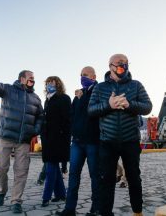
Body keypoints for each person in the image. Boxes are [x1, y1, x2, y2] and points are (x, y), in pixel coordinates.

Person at [88, 54, 152, 216]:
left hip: (130, 140)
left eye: (125, 63)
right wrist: (108, 105)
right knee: (107, 180)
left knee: (134, 178)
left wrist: (129, 104)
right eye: (118, 63)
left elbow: (147, 107)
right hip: (107, 141)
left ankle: (137, 212)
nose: (122, 66)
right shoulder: (100, 87)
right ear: (110, 66)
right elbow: (91, 110)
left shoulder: (136, 85)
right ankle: (106, 213)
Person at [0, 70, 44, 214]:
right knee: (1, 168)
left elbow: (41, 117)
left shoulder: (36, 98)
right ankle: (1, 191)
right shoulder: (8, 90)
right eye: (31, 78)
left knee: (21, 171)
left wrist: (34, 131)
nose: (33, 80)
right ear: (22, 79)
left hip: (23, 141)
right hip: (6, 137)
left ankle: (16, 201)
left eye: (34, 78)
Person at [56, 66, 100, 216]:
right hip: (77, 142)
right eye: (81, 75)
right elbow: (72, 115)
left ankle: (96, 208)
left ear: (94, 77)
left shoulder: (99, 92)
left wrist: (83, 98)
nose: (83, 77)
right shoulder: (78, 96)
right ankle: (70, 209)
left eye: (86, 75)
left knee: (95, 175)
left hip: (93, 141)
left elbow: (96, 112)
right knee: (73, 175)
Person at [40, 76, 72, 207]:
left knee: (50, 168)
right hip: (47, 139)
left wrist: (66, 138)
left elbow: (68, 120)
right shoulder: (47, 100)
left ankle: (46, 197)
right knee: (54, 168)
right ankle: (61, 195)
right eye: (47, 83)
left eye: (52, 82)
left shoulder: (64, 98)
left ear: (58, 84)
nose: (49, 85)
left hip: (59, 139)